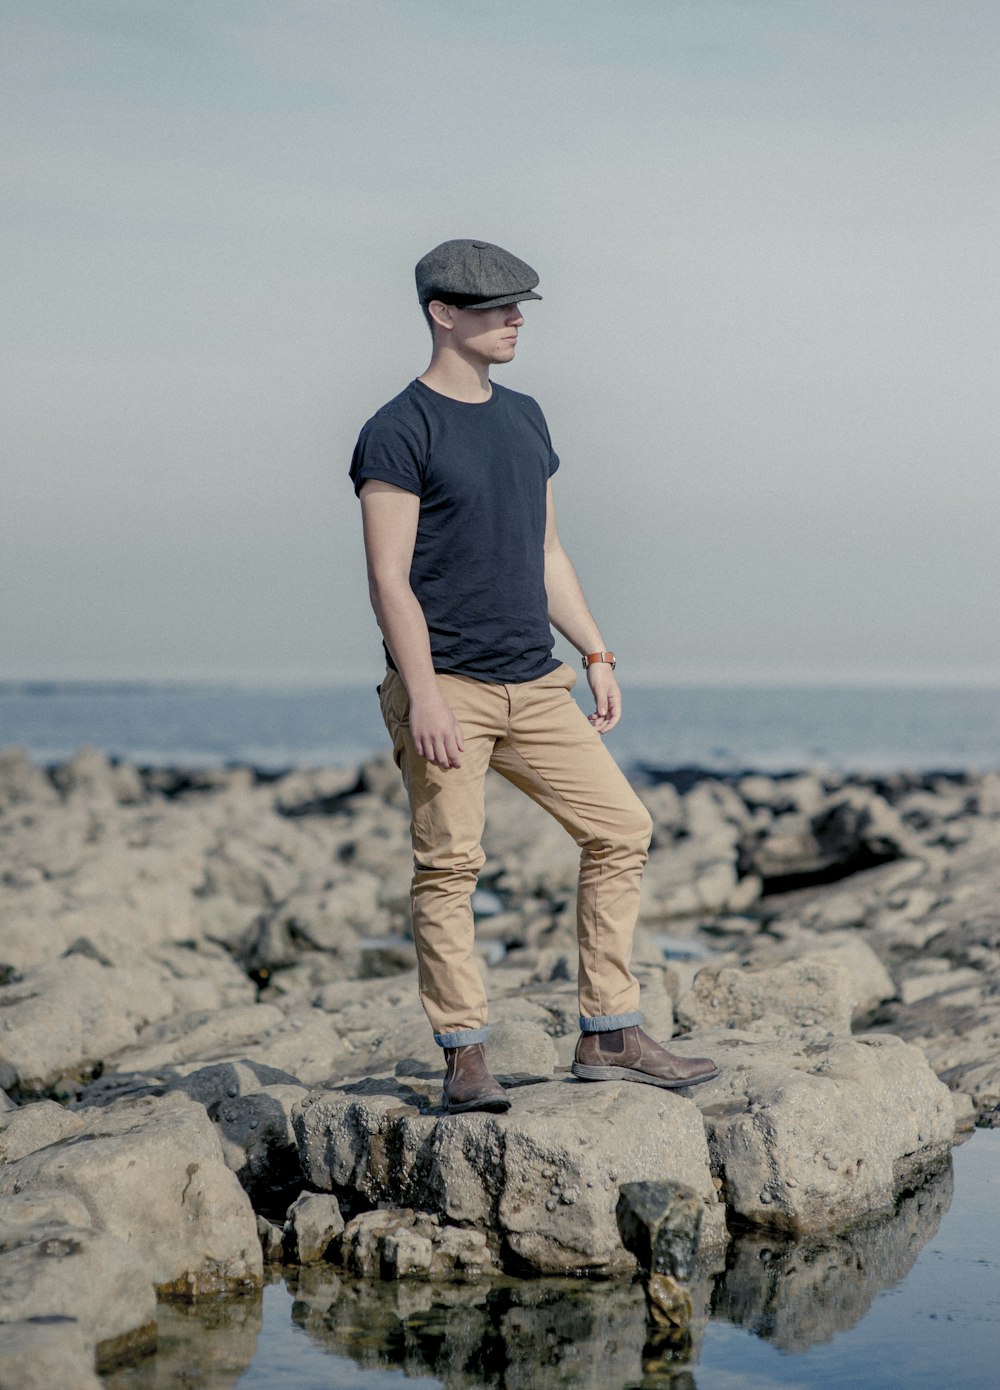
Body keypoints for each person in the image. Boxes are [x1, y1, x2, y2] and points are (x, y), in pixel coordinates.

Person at [349, 238, 717, 1112]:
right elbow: (387, 577)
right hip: (451, 692)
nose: (518, 318)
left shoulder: (526, 418)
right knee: (449, 867)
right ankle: (466, 1054)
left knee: (622, 828)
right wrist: (426, 694)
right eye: (498, 307)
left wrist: (595, 652)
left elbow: (546, 549)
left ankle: (609, 1030)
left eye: (522, 305)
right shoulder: (397, 430)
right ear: (444, 314)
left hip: (537, 681)